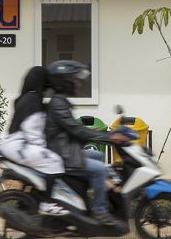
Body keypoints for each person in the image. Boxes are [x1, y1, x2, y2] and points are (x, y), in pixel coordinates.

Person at [45, 60, 130, 227]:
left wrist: (108, 133)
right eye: (75, 80)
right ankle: (100, 212)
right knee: (98, 170)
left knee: (98, 155)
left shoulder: (60, 101)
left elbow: (75, 128)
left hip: (65, 150)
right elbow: (77, 131)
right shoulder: (58, 104)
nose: (78, 83)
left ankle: (89, 196)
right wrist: (109, 138)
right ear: (66, 82)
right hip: (63, 155)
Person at [0, 66, 70, 216]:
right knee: (54, 161)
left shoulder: (25, 97)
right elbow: (32, 130)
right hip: (19, 146)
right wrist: (45, 148)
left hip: (13, 144)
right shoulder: (33, 100)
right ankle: (47, 204)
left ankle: (32, 199)